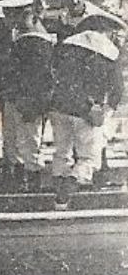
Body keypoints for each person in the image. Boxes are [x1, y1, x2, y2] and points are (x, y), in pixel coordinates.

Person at [49, 11, 124, 207]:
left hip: (59, 106)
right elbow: (116, 90)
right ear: (106, 30)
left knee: (61, 153)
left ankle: (58, 197)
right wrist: (105, 112)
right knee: (89, 158)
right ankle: (65, 195)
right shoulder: (109, 51)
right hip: (88, 110)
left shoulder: (67, 45)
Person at [0, 0, 55, 192]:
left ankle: (33, 187)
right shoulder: (19, 39)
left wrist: (36, 104)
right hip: (13, 99)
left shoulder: (39, 41)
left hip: (30, 102)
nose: (18, 21)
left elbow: (42, 78)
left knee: (31, 146)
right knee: (12, 144)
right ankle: (17, 183)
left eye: (23, 16)